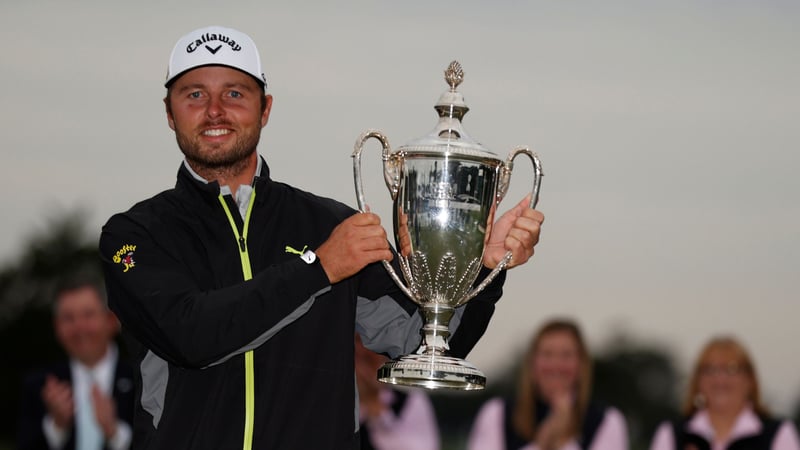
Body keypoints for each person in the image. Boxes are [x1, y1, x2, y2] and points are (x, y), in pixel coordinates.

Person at [98, 25, 544, 449]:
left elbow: (421, 342)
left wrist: (483, 269)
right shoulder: (134, 236)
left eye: (234, 93)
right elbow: (190, 336)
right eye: (195, 94)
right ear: (170, 113)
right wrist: (319, 268)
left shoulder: (331, 226)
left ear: (265, 108)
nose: (215, 110)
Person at [467, 318, 628, 450]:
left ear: (581, 365)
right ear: (533, 363)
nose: (556, 365)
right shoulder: (497, 414)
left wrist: (563, 440)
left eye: (566, 355)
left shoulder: (607, 421)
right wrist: (543, 442)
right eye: (547, 354)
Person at [18, 277, 135, 450]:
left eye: (88, 315)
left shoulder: (142, 379)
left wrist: (115, 433)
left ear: (111, 320)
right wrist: (57, 427)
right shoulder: (39, 385)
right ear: (57, 327)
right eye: (68, 318)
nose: (79, 327)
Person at [649, 336, 800, 450]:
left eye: (731, 369)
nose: (720, 379)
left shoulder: (777, 433)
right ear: (698, 381)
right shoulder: (672, 433)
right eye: (710, 370)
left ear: (749, 380)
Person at [355, 333, 439, 450]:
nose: (359, 350)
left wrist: (377, 410)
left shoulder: (410, 400)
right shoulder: (331, 401)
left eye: (365, 342)